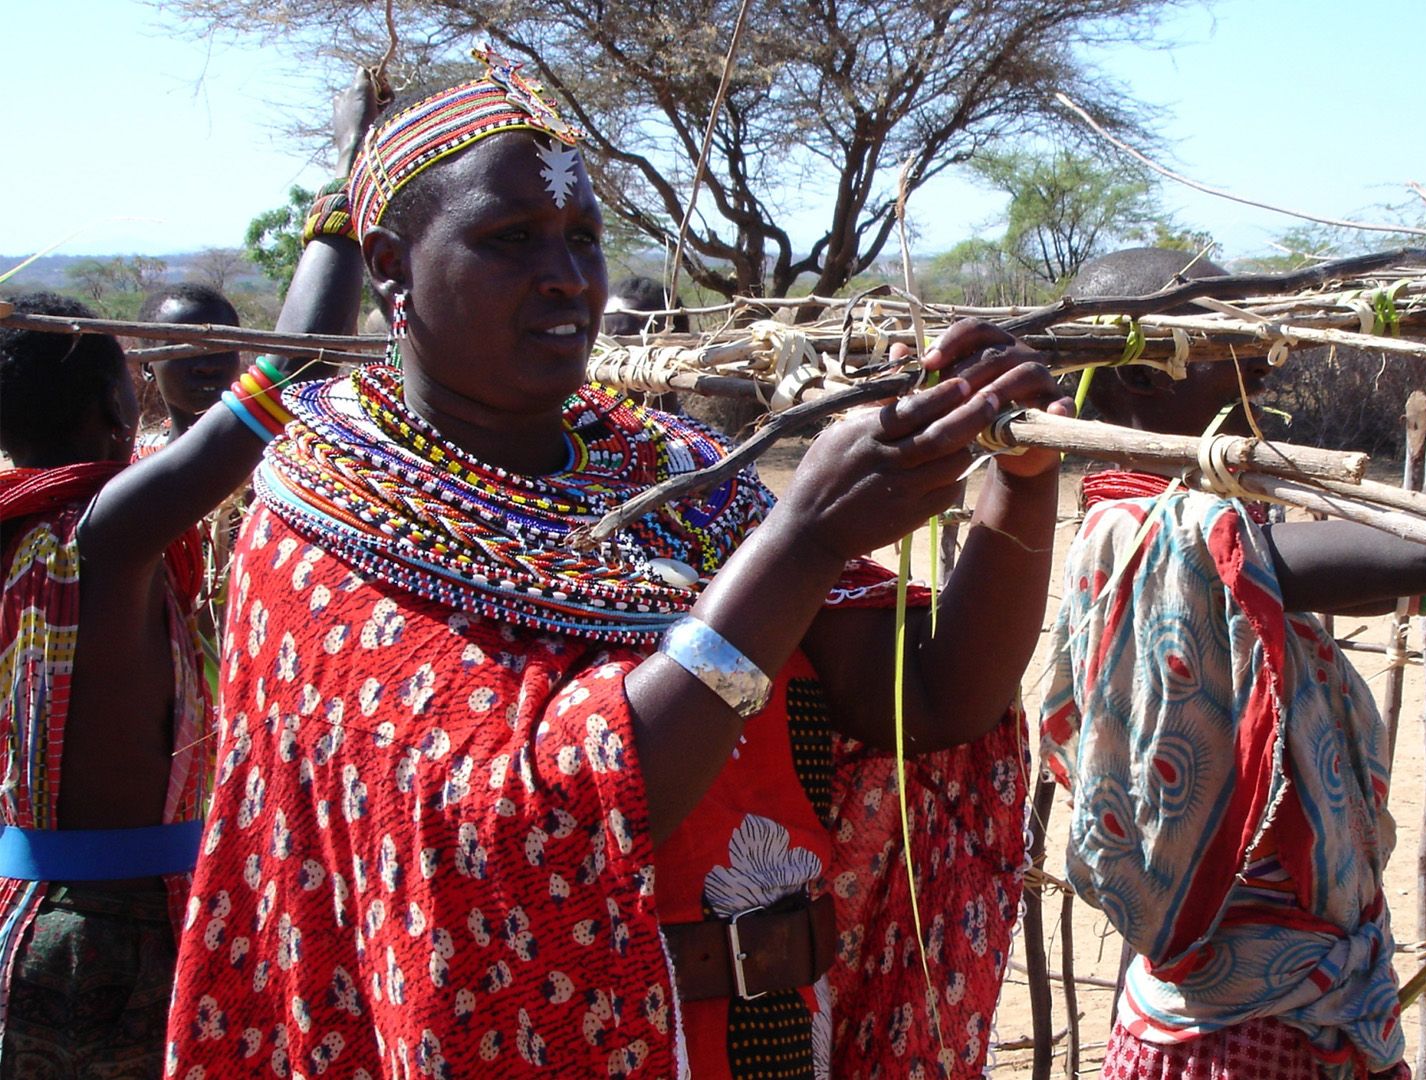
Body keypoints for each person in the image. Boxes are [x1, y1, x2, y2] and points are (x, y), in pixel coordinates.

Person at [162, 49, 1064, 1080]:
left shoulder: (681, 475)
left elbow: (931, 700)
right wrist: (801, 543)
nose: (566, 275)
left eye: (583, 237)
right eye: (510, 238)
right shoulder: (325, 513)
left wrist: (1019, 479)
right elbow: (511, 836)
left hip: (778, 1038)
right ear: (390, 264)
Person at [1040, 247, 1426, 1078]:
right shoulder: (1162, 538)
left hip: (1290, 1006)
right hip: (1238, 1031)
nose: (1261, 369)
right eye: (1228, 341)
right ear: (1145, 379)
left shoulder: (1211, 531)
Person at [0, 75, 374, 1080]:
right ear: (109, 422)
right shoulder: (98, 535)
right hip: (112, 938)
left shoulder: (23, 534)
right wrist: (347, 175)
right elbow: (288, 373)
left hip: (31, 917)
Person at [135, 283, 244, 444]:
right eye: (182, 349)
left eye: (222, 346)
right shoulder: (130, 464)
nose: (207, 366)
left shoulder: (280, 459)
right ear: (147, 366)